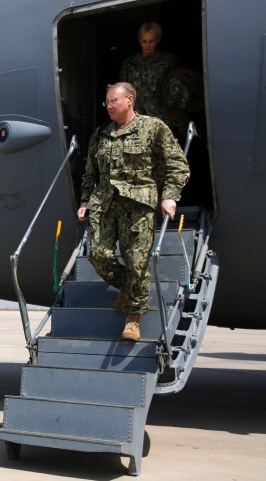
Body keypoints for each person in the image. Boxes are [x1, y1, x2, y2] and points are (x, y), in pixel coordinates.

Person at [77, 83, 189, 341]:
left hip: (138, 207)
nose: (108, 106)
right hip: (104, 205)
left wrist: (169, 196)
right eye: (106, 102)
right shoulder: (101, 134)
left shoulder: (153, 128)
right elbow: (90, 172)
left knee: (137, 263)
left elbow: (177, 164)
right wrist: (85, 200)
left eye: (113, 101)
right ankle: (128, 287)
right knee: (98, 255)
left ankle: (133, 317)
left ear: (129, 100)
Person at [119, 21, 177, 128]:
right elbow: (122, 93)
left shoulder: (167, 60)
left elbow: (174, 90)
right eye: (144, 41)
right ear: (139, 40)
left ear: (158, 40)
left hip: (160, 119)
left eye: (151, 41)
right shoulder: (130, 63)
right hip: (135, 120)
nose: (147, 45)